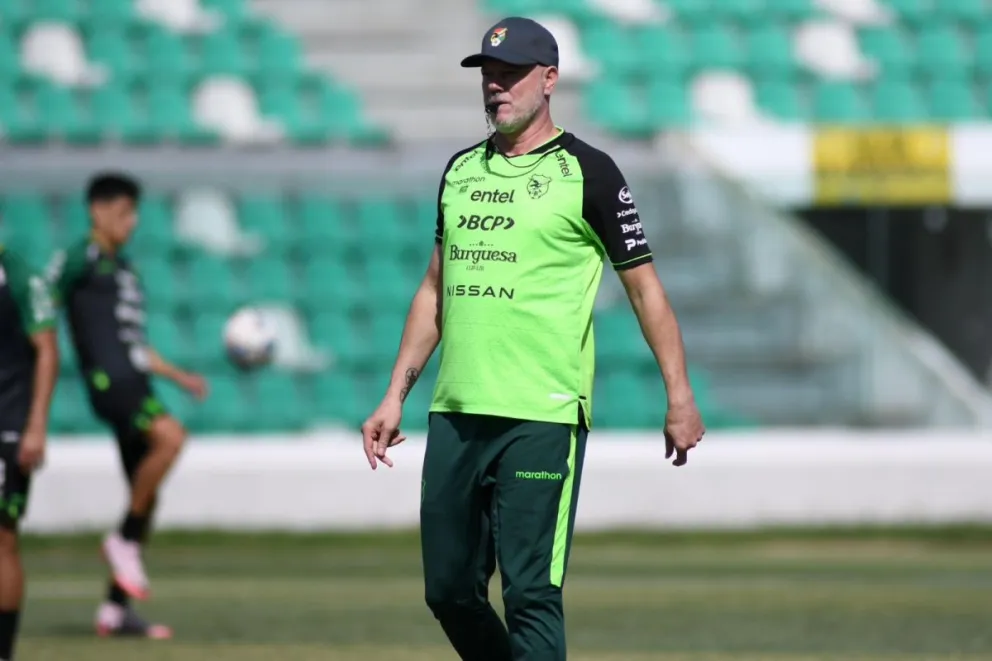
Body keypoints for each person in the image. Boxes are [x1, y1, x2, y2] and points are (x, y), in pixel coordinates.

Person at [361, 15, 706, 661]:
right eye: (489, 75)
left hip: (541, 415)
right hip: (456, 412)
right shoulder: (460, 170)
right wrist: (393, 395)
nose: (497, 87)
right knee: (448, 590)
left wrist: (678, 394)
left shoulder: (591, 173)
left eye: (511, 75)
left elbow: (644, 288)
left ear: (549, 80)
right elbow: (434, 289)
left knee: (531, 594)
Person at [47, 173, 208, 640]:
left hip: (135, 381)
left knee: (145, 493)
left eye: (134, 213)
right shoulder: (80, 259)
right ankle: (120, 544)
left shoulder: (125, 270)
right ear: (97, 211)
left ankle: (115, 613)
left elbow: (134, 343)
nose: (131, 223)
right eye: (123, 213)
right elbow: (40, 302)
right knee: (171, 438)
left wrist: (179, 376)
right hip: (111, 383)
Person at [0, 244, 59, 661]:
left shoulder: (17, 271)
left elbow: (47, 347)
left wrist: (35, 425)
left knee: (2, 541)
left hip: (7, 420)